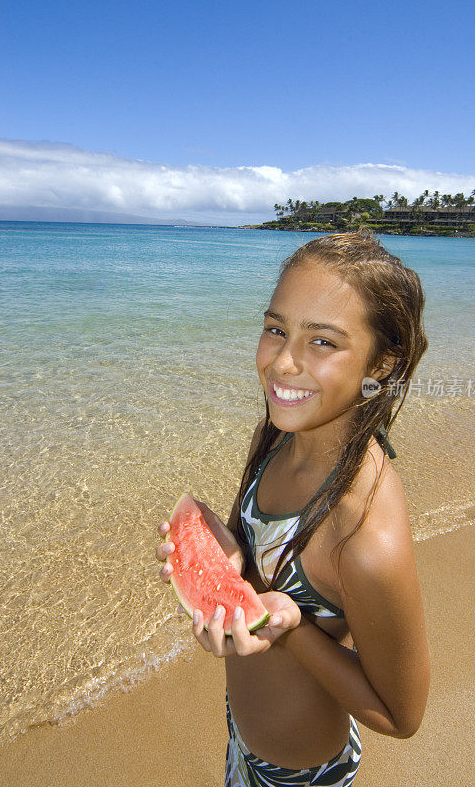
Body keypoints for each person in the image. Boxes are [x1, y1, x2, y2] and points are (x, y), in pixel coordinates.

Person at [156, 231, 430, 786]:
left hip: (299, 774)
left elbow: (401, 717)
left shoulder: (363, 536)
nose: (282, 362)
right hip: (243, 732)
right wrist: (229, 557)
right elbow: (261, 568)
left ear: (383, 361)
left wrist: (290, 626)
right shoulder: (279, 434)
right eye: (276, 329)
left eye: (323, 342)